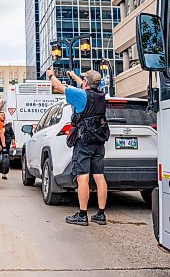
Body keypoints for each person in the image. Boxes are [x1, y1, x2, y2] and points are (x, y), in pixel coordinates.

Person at [47, 68, 109, 226]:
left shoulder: (81, 95)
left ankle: (82, 215)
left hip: (84, 142)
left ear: (87, 82)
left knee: (83, 178)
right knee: (99, 177)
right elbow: (84, 86)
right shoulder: (101, 95)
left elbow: (58, 86)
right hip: (98, 141)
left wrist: (51, 75)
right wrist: (73, 75)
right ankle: (101, 214)